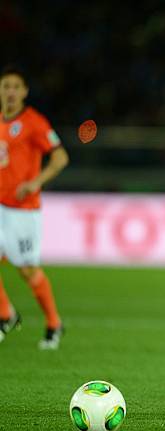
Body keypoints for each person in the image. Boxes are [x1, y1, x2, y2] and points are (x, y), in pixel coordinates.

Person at [0, 66, 69, 349]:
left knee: (27, 271)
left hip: (23, 211)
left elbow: (61, 157)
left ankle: (54, 323)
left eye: (16, 86)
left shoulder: (34, 122)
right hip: (0, 205)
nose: (11, 92)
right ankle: (6, 315)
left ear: (25, 92)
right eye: (6, 86)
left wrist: (36, 182)